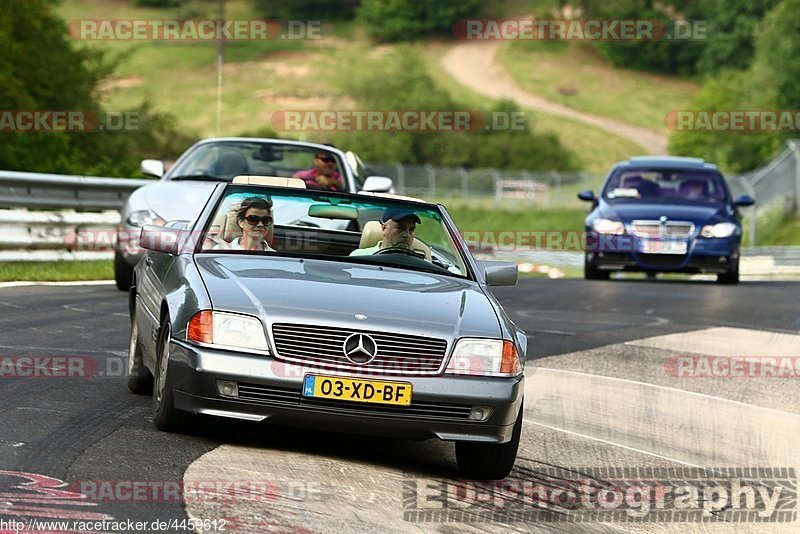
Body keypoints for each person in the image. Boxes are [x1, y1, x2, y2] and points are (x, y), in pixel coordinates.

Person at [350, 209, 421, 256]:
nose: (406, 235)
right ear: (384, 228)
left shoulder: (421, 264)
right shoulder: (360, 256)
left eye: (411, 229)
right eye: (399, 228)